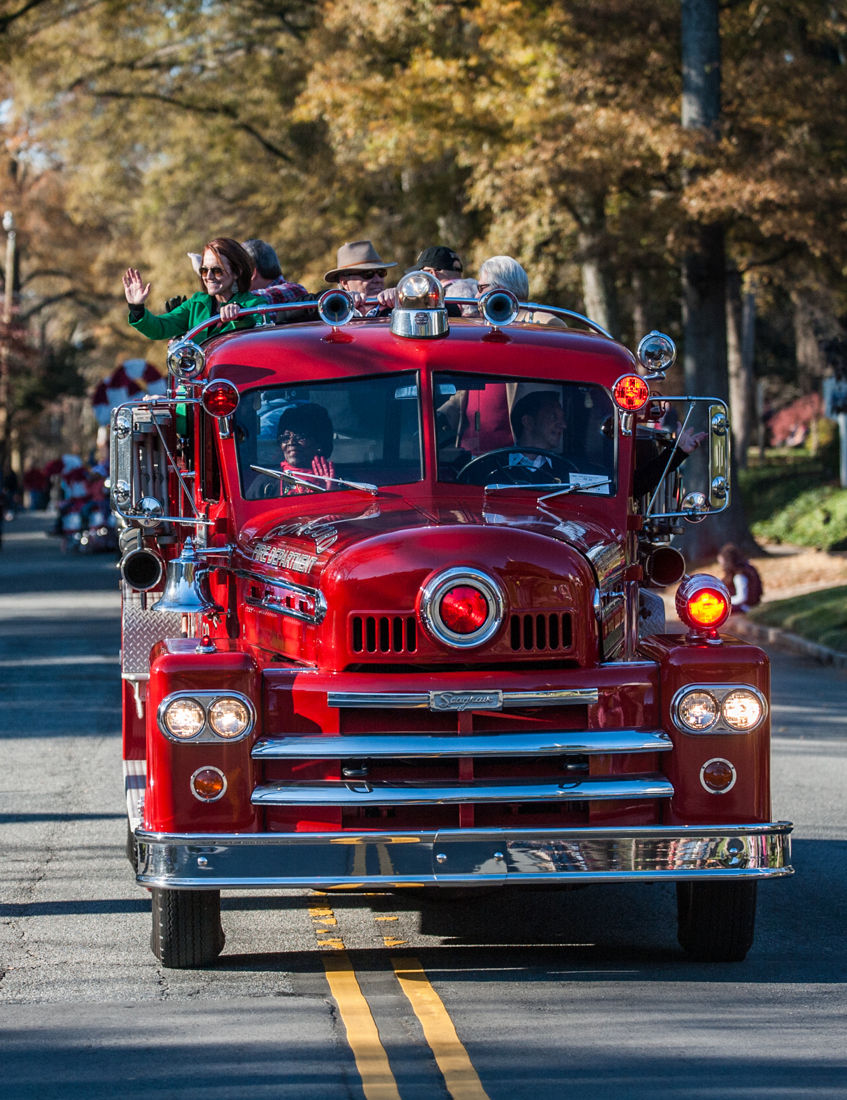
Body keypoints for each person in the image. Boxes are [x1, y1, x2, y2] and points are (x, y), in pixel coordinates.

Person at [123, 237, 265, 342]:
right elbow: (160, 328)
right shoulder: (196, 304)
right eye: (204, 270)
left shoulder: (254, 304)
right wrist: (137, 308)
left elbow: (260, 334)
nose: (208, 277)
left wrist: (240, 316)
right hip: (202, 381)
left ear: (237, 272)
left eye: (217, 271)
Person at [476, 255, 566, 327]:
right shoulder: (487, 325)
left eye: (481, 288)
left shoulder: (547, 324)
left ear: (500, 291)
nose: (476, 296)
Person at [324, 240, 397, 315]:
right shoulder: (327, 312)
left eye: (381, 272)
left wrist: (403, 297)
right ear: (345, 282)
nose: (378, 279)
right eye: (368, 274)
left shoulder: (397, 308)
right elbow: (312, 300)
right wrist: (336, 298)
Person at [277, 402, 335, 494]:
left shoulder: (341, 482)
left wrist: (331, 495)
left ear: (319, 443)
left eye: (300, 436)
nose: (291, 443)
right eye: (285, 438)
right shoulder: (267, 483)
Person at [241, 239, 311, 312]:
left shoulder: (294, 290)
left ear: (252, 273)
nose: (235, 279)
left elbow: (256, 299)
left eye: (236, 271)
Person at [717, 544, 763, 613]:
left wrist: (724, 601)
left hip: (745, 607)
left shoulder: (740, 576)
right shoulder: (747, 569)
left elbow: (742, 598)